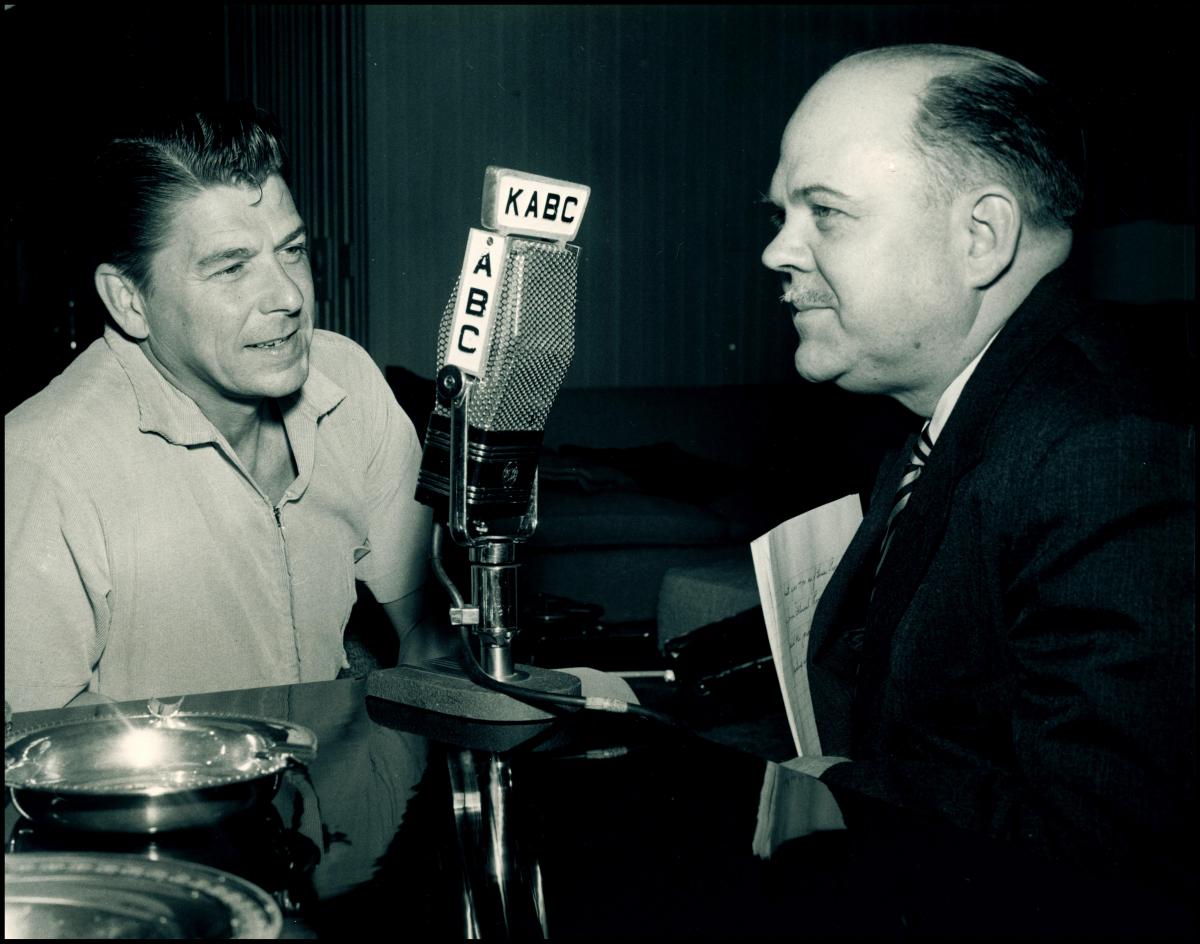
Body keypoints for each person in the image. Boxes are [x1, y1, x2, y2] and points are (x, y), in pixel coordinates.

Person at [760, 44, 1194, 875]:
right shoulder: (970, 407)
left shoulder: (1104, 452)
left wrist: (844, 791)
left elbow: (1113, 845)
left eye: (825, 212)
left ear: (982, 235)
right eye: (779, 215)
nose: (779, 251)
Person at [5, 101, 436, 712]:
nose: (288, 296)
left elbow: (427, 631)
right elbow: (30, 743)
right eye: (231, 268)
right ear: (129, 301)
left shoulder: (351, 383)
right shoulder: (40, 464)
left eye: (291, 251)